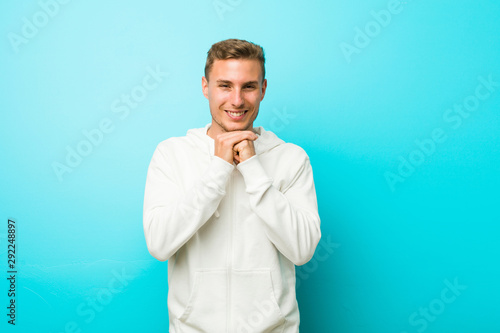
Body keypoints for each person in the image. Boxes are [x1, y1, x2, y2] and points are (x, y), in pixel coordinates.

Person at [143, 38, 321, 333]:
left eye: (248, 86)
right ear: (205, 87)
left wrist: (252, 169)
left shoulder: (291, 158)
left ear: (263, 89)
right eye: (225, 85)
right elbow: (159, 244)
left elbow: (302, 250)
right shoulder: (171, 154)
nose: (237, 100)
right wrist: (219, 169)